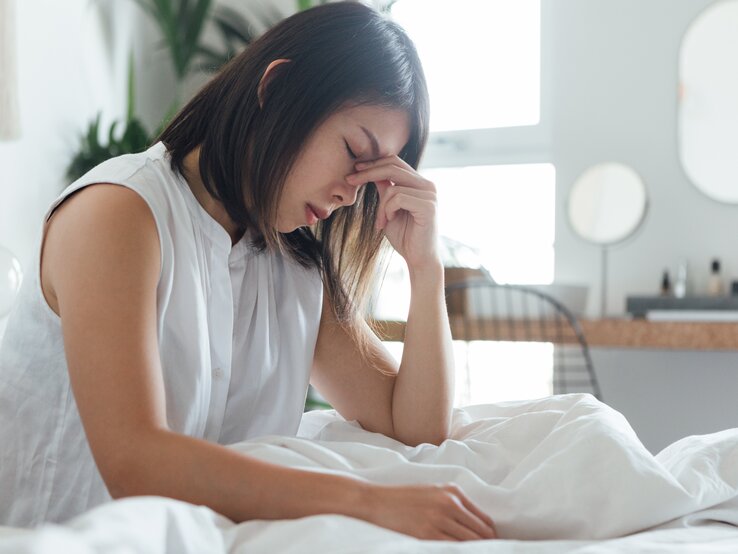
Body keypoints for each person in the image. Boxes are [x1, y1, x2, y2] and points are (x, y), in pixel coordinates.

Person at [0, 1, 496, 541]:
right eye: (355, 151)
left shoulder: (292, 263)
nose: (353, 191)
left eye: (373, 172)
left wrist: (425, 269)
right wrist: (367, 502)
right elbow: (136, 462)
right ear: (276, 89)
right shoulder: (119, 213)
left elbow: (415, 427)